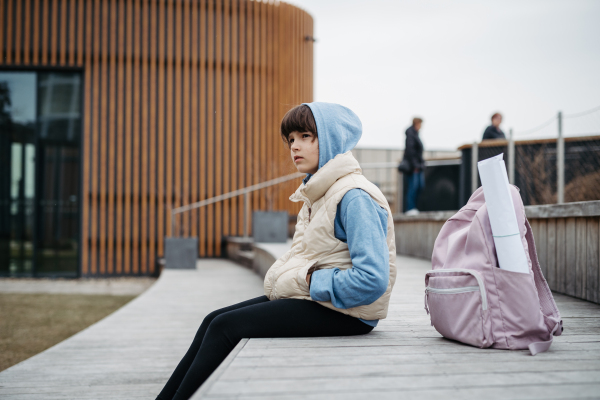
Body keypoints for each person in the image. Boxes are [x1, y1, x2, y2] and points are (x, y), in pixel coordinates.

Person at [156, 102, 397, 400]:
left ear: (331, 139)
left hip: (348, 312)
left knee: (224, 327)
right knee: (212, 320)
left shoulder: (354, 196)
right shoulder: (317, 194)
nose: (295, 146)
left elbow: (373, 280)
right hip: (322, 301)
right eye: (291, 139)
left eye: (306, 136)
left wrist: (310, 282)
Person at [401, 117, 425, 215]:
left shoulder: (415, 134)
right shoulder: (411, 134)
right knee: (412, 187)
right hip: (413, 167)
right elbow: (410, 151)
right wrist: (415, 165)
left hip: (418, 166)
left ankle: (413, 208)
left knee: (419, 186)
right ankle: (410, 208)